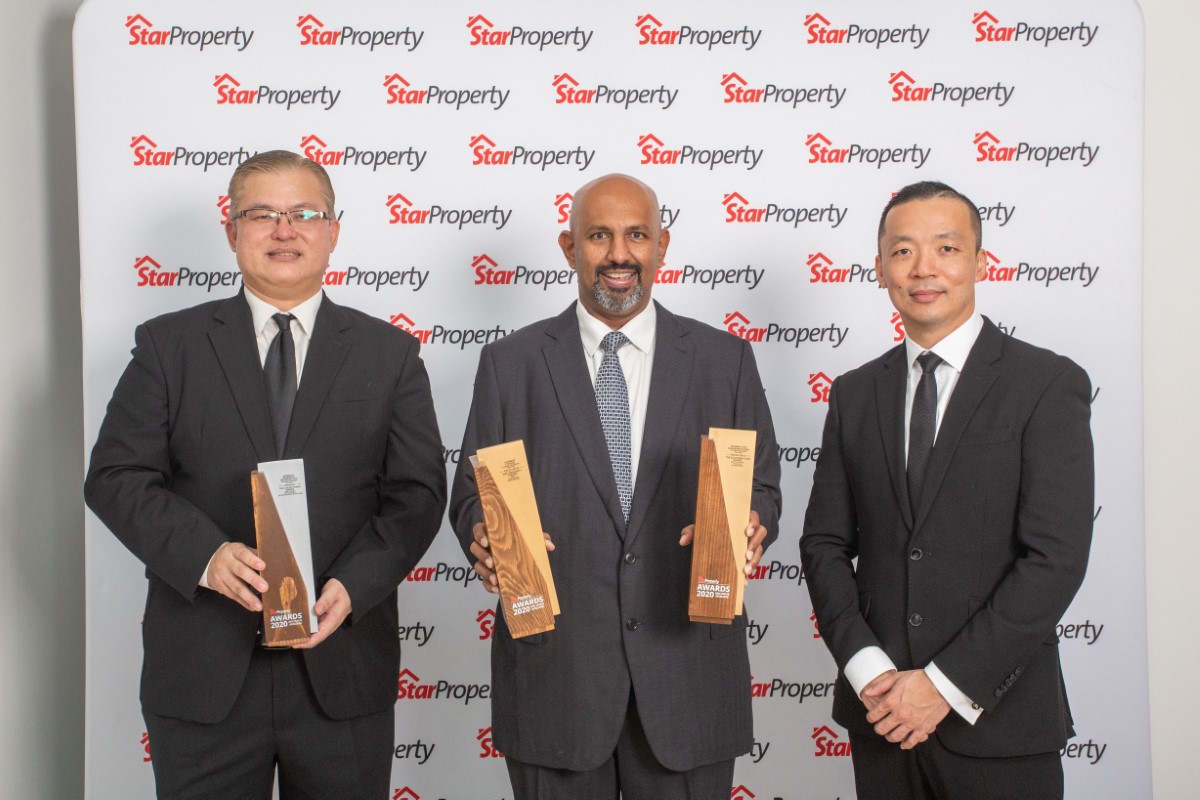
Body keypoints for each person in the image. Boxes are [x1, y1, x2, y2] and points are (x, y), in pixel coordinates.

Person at [85, 150, 446, 799]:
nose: (286, 230)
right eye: (263, 214)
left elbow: (417, 496)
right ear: (231, 231)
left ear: (333, 230)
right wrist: (205, 555)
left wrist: (352, 585)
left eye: (305, 213)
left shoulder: (389, 355)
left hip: (341, 669)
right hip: (204, 676)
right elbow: (114, 476)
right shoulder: (170, 347)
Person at [449, 173, 782, 799]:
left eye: (636, 235)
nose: (619, 254)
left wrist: (753, 523)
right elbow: (470, 492)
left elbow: (762, 484)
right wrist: (484, 534)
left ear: (662, 244)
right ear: (569, 247)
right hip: (557, 680)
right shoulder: (510, 363)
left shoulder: (724, 359)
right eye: (599, 235)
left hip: (690, 675)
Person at [800, 181, 1094, 800]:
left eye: (946, 248)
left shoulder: (1047, 383)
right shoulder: (855, 394)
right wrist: (869, 671)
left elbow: (1055, 559)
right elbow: (824, 544)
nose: (924, 268)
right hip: (881, 720)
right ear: (880, 268)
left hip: (1001, 725)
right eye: (903, 251)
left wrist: (941, 685)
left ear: (980, 262)